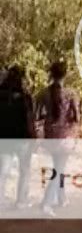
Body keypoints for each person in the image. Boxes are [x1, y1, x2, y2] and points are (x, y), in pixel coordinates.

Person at [36, 60, 80, 216]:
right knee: (59, 169)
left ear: (51, 74)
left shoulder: (43, 93)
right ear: (65, 74)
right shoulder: (71, 94)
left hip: (50, 137)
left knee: (58, 166)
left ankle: (62, 198)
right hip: (65, 138)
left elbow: (37, 116)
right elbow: (77, 117)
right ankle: (47, 203)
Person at [0, 66, 36, 210]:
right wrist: (34, 138)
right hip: (22, 139)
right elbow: (30, 120)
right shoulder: (25, 97)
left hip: (4, 138)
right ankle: (21, 201)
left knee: (3, 171)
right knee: (24, 170)